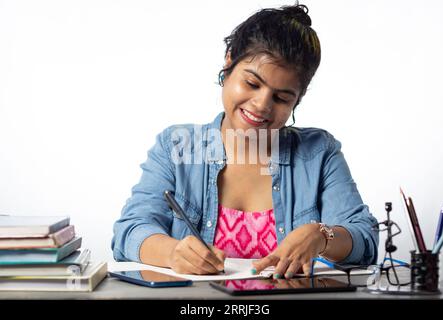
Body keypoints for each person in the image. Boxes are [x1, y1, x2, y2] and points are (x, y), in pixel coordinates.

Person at [112, 3, 379, 279]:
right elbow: (130, 230)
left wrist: (323, 236)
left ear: (297, 100)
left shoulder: (319, 153)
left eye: (281, 98)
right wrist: (172, 252)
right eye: (252, 84)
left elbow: (365, 239)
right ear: (229, 63)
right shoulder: (176, 146)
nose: (262, 105)